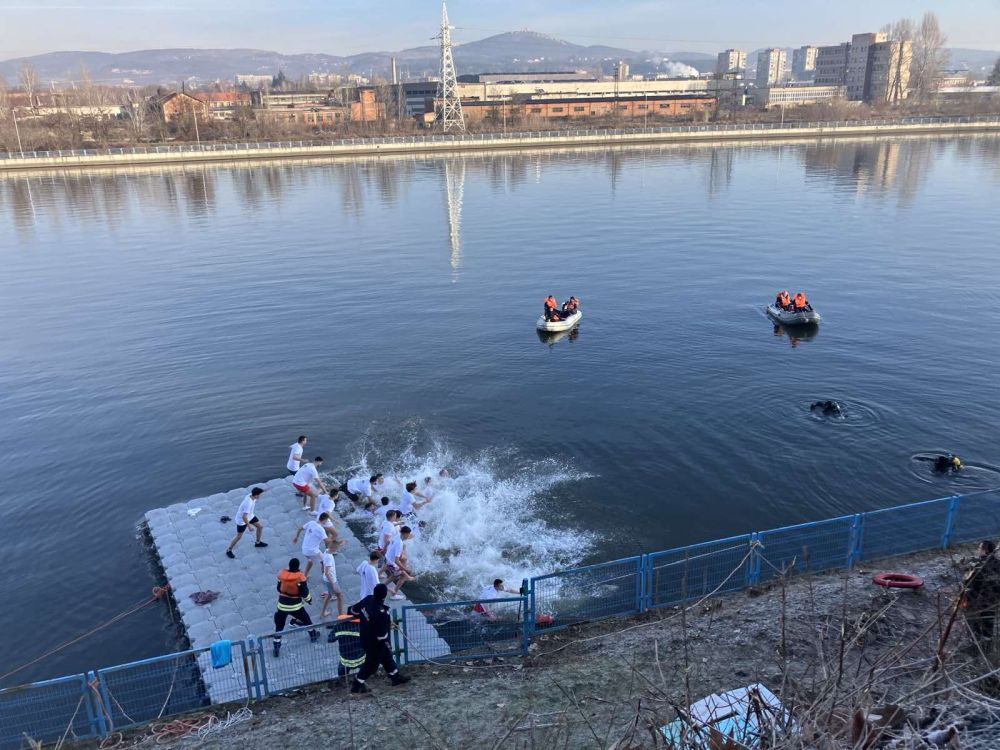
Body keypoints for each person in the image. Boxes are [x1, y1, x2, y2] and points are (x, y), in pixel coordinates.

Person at [348, 584, 411, 693]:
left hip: (365, 638)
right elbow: (382, 636)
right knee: (371, 665)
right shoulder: (382, 613)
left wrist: (366, 619)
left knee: (387, 658)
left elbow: (352, 611)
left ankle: (395, 677)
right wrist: (387, 644)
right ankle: (357, 684)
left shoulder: (367, 599)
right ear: (384, 596)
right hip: (376, 644)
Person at [273, 558, 319, 657]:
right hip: (296, 606)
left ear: (289, 566)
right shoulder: (300, 578)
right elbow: (305, 593)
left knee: (279, 627)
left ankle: (276, 646)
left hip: (282, 605)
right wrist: (309, 600)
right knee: (307, 621)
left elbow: (278, 588)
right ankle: (313, 635)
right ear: (298, 567)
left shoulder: (282, 575)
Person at [963, 540, 1000, 643]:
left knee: (973, 618)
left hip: (977, 598)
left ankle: (974, 639)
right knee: (988, 618)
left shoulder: (977, 565)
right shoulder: (998, 564)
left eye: (979, 548)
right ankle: (987, 638)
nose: (978, 550)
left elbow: (967, 581)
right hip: (993, 599)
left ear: (985, 551)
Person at [225, 487, 268, 559]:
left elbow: (259, 491)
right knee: (239, 536)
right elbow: (244, 516)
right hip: (242, 521)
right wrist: (249, 526)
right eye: (260, 495)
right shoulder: (249, 503)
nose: (260, 496)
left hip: (250, 516)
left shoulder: (251, 494)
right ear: (256, 495)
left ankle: (258, 543)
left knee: (260, 527)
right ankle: (229, 550)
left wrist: (267, 489)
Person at [293, 513, 333, 577]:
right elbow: (326, 541)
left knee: (310, 561)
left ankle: (305, 575)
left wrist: (296, 537)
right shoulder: (321, 529)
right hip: (312, 550)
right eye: (327, 520)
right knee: (323, 561)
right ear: (325, 520)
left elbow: (300, 528)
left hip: (304, 548)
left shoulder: (311, 522)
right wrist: (334, 539)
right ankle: (325, 575)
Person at [385, 526, 415, 600]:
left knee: (394, 575)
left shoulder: (397, 536)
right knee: (403, 576)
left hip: (387, 558)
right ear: (404, 534)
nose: (408, 536)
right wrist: (406, 569)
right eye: (408, 534)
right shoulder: (399, 543)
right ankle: (394, 594)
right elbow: (397, 561)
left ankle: (381, 586)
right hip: (391, 563)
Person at [319, 542, 345, 619]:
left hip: (328, 579)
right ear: (333, 548)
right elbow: (327, 573)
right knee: (340, 596)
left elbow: (322, 564)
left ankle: (322, 613)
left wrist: (341, 543)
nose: (337, 550)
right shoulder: (329, 558)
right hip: (331, 580)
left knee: (329, 595)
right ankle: (341, 615)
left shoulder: (326, 550)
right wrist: (333, 584)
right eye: (337, 548)